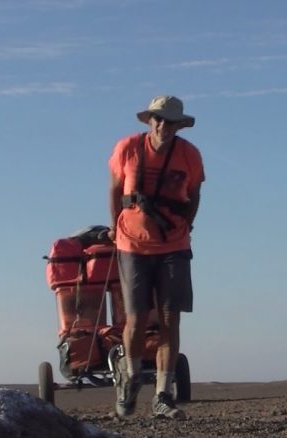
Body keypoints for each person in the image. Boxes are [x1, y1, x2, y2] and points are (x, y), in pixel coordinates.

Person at [107, 95, 204, 419]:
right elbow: (115, 189)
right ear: (149, 120)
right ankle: (131, 378)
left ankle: (163, 394)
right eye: (158, 119)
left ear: (179, 125)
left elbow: (195, 194)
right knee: (136, 318)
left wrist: (184, 226)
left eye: (170, 121)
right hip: (132, 245)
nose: (163, 126)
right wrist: (114, 227)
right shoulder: (128, 148)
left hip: (173, 246)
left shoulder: (189, 155)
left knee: (169, 318)